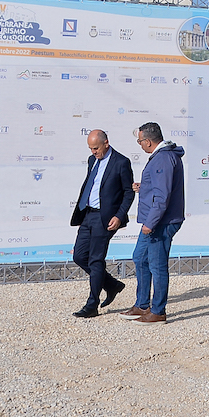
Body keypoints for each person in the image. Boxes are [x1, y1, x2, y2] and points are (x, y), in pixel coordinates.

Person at [124, 122, 185, 323]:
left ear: (148, 141)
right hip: (156, 220)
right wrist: (145, 187)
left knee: (157, 266)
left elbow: (163, 197)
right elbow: (160, 189)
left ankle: (158, 311)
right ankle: (142, 304)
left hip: (161, 222)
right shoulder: (163, 158)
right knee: (140, 258)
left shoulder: (163, 159)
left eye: (140, 141)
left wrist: (150, 223)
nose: (139, 144)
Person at [69, 129, 133, 318]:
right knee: (80, 256)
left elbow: (128, 192)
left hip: (105, 218)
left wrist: (119, 216)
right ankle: (112, 285)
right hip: (88, 214)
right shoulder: (92, 161)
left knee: (96, 260)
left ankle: (92, 305)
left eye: (96, 148)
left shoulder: (121, 162)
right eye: (90, 148)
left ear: (106, 143)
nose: (93, 152)